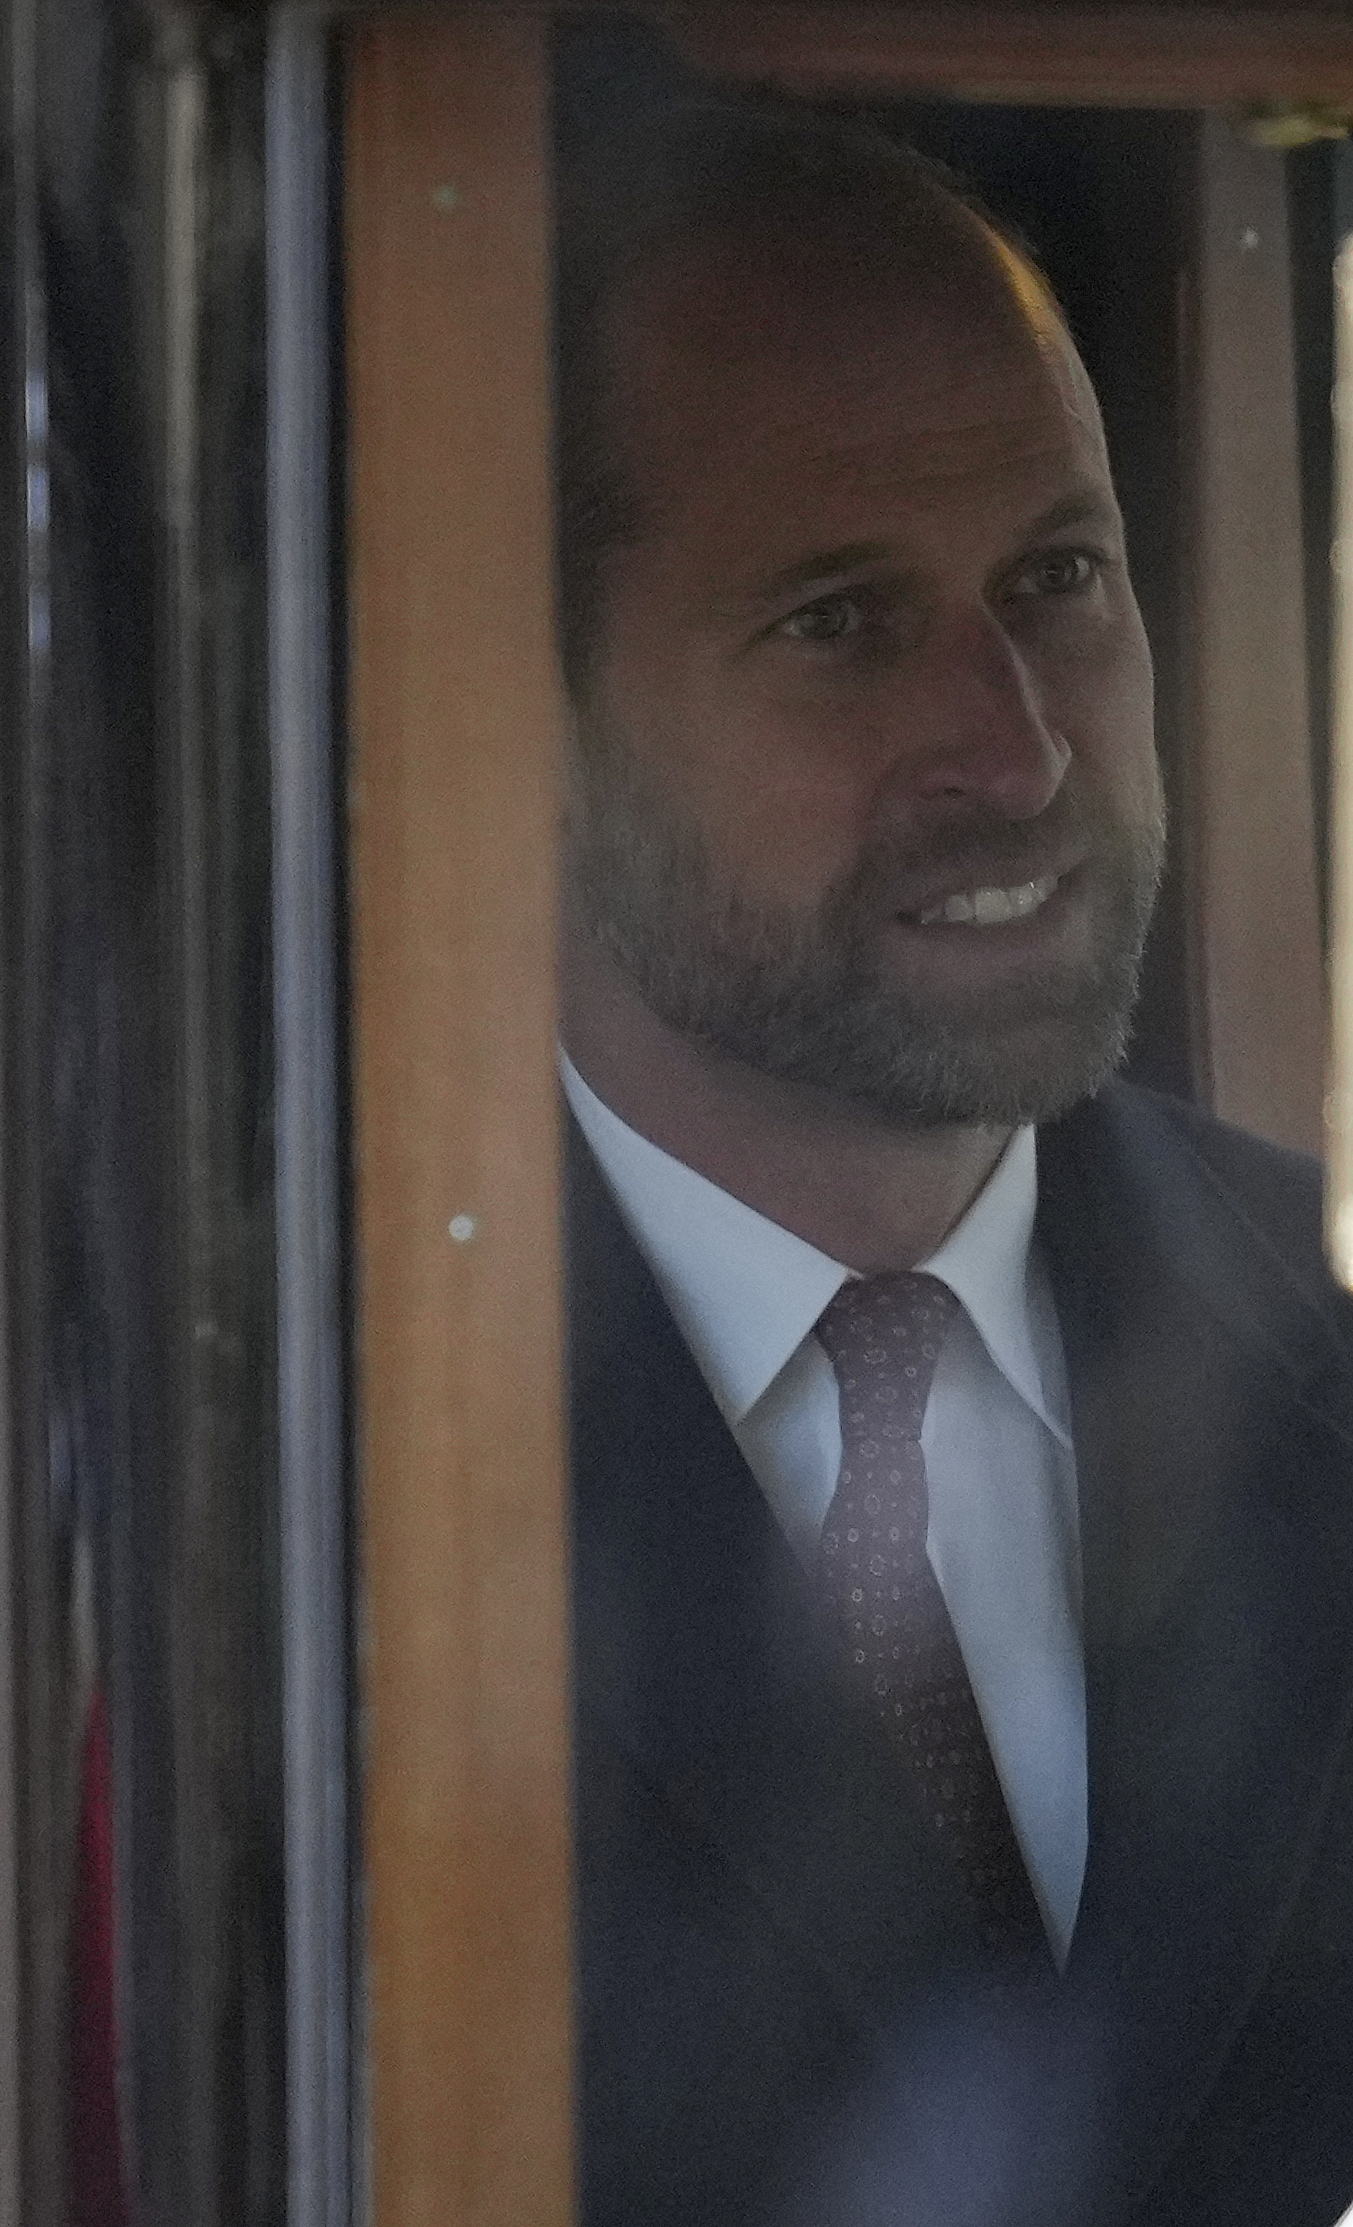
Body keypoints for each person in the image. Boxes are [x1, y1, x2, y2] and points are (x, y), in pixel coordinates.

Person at [554, 106, 1353, 2226]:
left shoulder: (1314, 1354)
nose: (1013, 748)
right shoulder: (271, 1460)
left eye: (1059, 578)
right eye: (838, 621)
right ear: (525, 724)